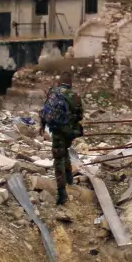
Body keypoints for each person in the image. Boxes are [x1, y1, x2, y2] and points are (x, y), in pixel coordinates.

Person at [40, 71, 84, 204]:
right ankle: (69, 180)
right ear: (71, 83)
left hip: (57, 130)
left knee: (59, 158)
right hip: (69, 131)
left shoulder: (53, 92)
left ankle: (62, 192)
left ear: (60, 81)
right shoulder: (75, 97)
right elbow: (80, 115)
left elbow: (44, 111)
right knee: (64, 151)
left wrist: (43, 125)